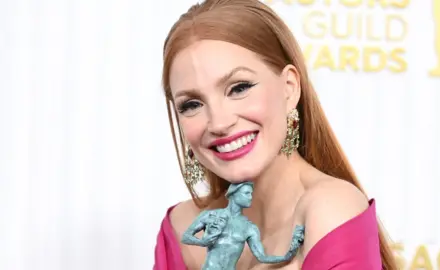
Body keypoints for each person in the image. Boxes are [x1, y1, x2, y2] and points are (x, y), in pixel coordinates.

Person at [153, 0, 397, 269]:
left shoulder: (329, 209)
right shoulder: (181, 226)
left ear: (289, 88)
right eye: (192, 105)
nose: (219, 123)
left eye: (239, 88)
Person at [181, 182, 305, 269]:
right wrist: (202, 242)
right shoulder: (211, 215)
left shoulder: (249, 227)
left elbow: (262, 257)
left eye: (251, 193)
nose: (250, 197)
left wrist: (288, 255)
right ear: (234, 194)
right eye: (246, 193)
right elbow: (186, 237)